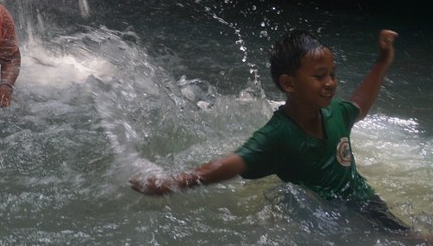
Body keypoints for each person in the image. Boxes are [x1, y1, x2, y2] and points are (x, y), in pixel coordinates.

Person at [130, 28, 429, 241]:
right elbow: (232, 163)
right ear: (289, 83)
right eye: (319, 76)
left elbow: (360, 105)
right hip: (317, 215)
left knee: (413, 238)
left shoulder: (335, 113)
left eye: (332, 74)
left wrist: (381, 62)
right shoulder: (279, 134)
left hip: (363, 201)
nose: (330, 83)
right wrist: (172, 183)